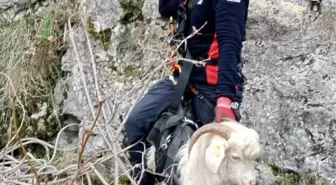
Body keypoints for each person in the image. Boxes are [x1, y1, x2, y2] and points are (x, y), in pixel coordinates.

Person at [124, 0, 249, 184]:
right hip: (183, 77)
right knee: (136, 122)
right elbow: (165, 7)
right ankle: (143, 179)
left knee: (213, 162)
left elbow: (229, 44)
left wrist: (224, 100)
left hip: (214, 85)